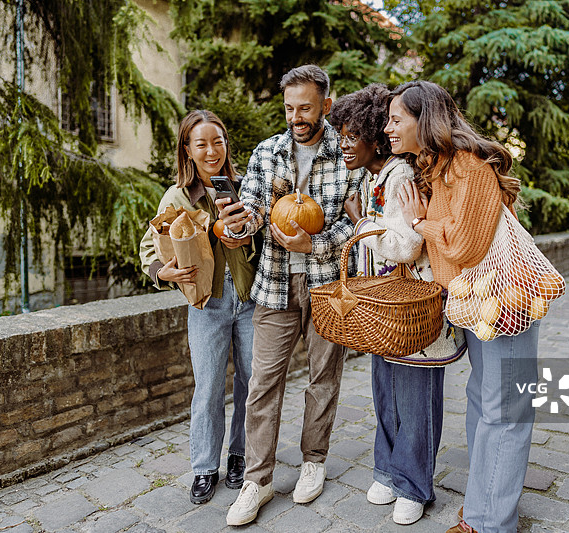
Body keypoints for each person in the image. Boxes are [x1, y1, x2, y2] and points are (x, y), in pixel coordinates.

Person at [218, 65, 364, 526]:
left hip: (328, 287)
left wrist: (314, 243)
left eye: (305, 107)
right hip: (275, 283)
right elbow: (257, 209)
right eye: (289, 108)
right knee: (263, 384)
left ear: (325, 101)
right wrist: (240, 227)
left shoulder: (346, 153)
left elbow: (357, 220)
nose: (296, 116)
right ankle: (257, 482)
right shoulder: (268, 151)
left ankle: (313, 461)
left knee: (323, 378)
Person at [391, 81, 539, 533]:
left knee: (505, 410)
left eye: (397, 119)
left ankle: (489, 522)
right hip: (477, 302)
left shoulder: (469, 167)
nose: (388, 127)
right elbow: (441, 250)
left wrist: (422, 220)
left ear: (426, 120)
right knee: (483, 400)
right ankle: (485, 502)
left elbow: (465, 245)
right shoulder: (436, 170)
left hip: (505, 298)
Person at [331, 84, 467, 526]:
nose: (345, 145)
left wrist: (360, 220)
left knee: (415, 398)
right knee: (385, 390)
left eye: (353, 136)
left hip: (413, 306)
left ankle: (414, 483)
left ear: (372, 136)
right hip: (386, 307)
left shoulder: (402, 177)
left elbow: (407, 244)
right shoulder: (377, 178)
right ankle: (387, 470)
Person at [139, 110, 259, 505]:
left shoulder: (244, 187)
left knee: (250, 384)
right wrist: (164, 272)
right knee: (208, 387)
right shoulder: (176, 197)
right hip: (206, 302)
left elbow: (263, 242)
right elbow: (147, 247)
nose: (212, 151)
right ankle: (205, 467)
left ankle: (240, 456)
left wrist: (243, 234)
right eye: (202, 144)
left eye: (218, 141)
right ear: (187, 151)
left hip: (248, 297)